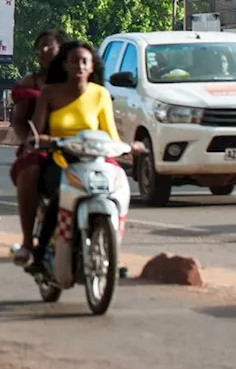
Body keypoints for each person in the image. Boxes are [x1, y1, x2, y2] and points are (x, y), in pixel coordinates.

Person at [26, 40, 142, 271]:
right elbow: (38, 134)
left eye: (84, 62)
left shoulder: (100, 94)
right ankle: (39, 254)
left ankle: (112, 254)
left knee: (114, 189)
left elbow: (110, 133)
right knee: (60, 196)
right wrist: (45, 141)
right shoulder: (50, 93)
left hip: (94, 158)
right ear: (66, 66)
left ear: (92, 67)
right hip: (60, 157)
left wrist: (129, 147)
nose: (79, 66)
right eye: (74, 61)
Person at [8, 29, 66, 266]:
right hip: (42, 144)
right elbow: (20, 122)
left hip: (77, 143)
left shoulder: (81, 83)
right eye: (40, 46)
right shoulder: (33, 84)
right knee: (30, 171)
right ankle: (26, 241)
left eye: (48, 46)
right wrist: (29, 143)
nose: (43, 51)